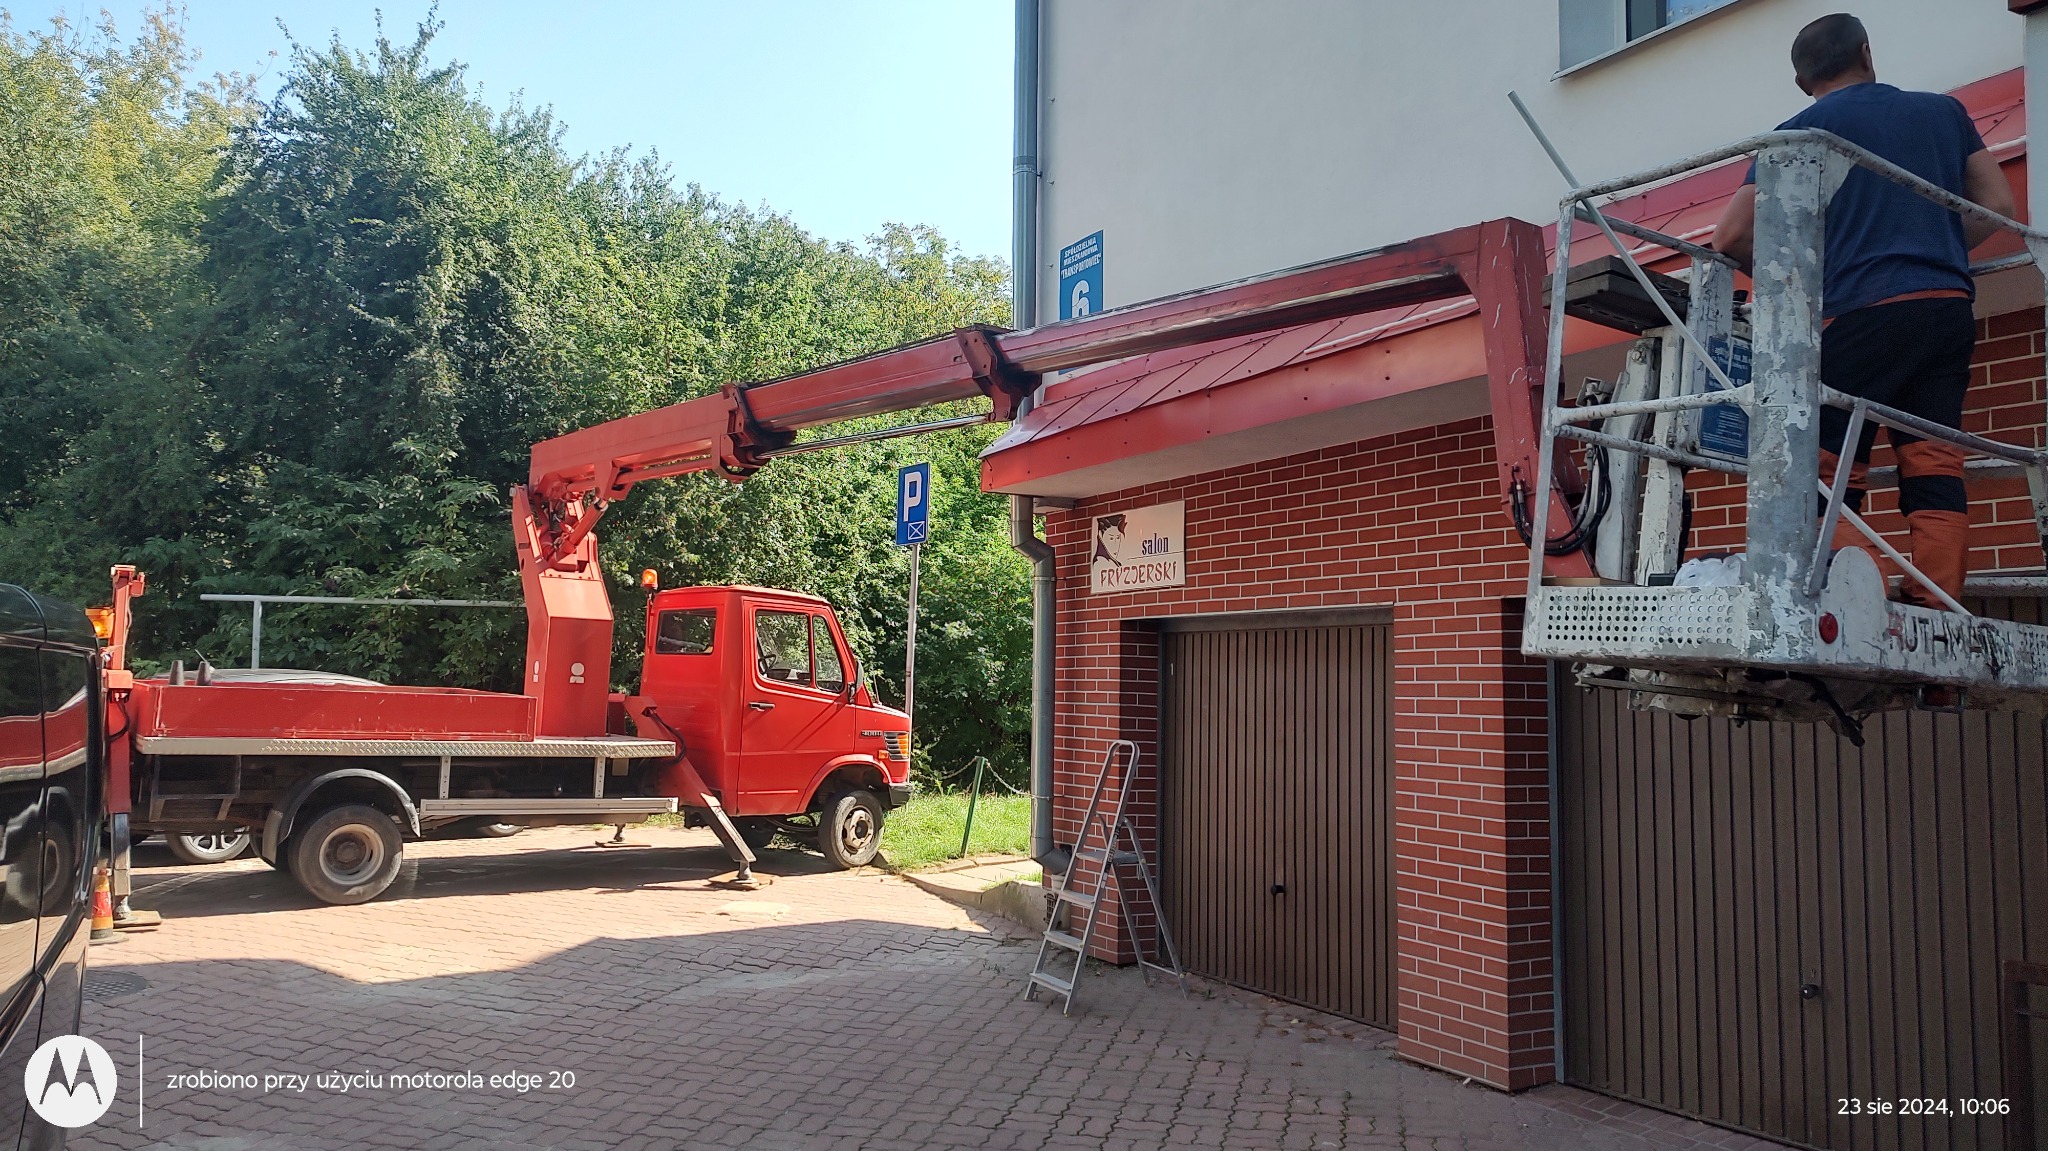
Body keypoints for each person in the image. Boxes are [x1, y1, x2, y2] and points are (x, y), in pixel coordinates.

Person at [1713, 12, 2016, 607]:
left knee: (1818, 465)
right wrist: (1938, 252)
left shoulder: (1798, 133)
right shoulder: (1944, 112)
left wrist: (1808, 282)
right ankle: (1937, 606)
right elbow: (1998, 205)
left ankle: (1865, 603)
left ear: (1803, 83)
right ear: (1868, 54)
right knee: (1933, 462)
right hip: (1946, 309)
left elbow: (1728, 239)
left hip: (1858, 314)